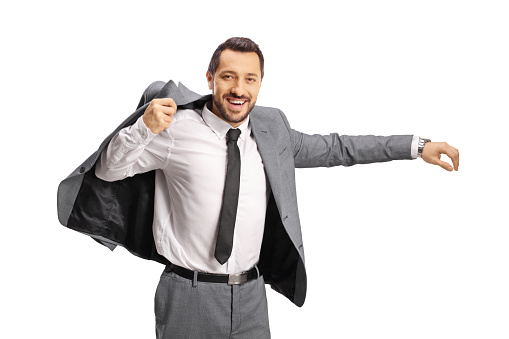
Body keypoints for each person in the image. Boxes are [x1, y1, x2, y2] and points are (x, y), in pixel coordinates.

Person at [57, 37, 459, 338]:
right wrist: (143, 128)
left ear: (260, 83)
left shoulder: (272, 129)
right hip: (187, 296)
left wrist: (416, 146)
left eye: (250, 79)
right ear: (211, 78)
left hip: (251, 296)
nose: (238, 89)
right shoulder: (174, 128)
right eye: (229, 76)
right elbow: (108, 172)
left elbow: (339, 148)